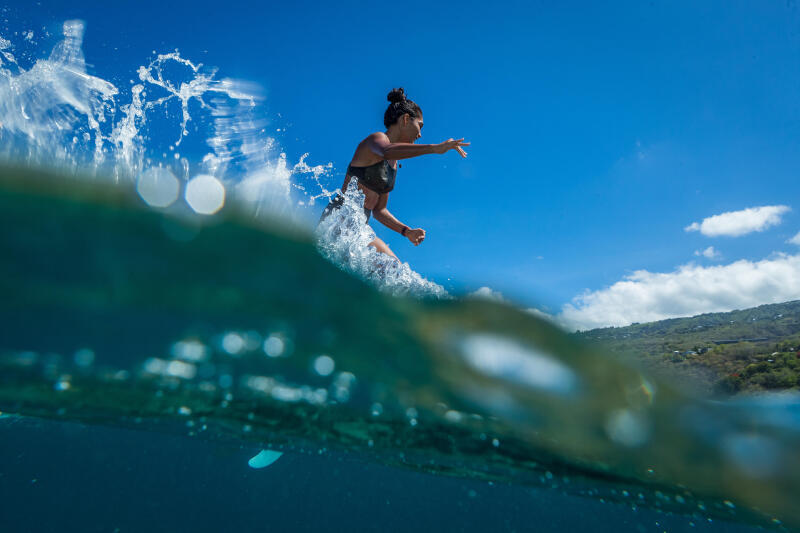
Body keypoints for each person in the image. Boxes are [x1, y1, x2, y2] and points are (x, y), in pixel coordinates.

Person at [320, 87, 469, 259]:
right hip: (340, 218)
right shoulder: (376, 140)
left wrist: (407, 231)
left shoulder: (394, 164)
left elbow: (379, 210)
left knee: (394, 266)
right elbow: (386, 151)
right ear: (406, 119)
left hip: (360, 226)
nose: (420, 134)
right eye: (419, 126)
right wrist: (434, 148)